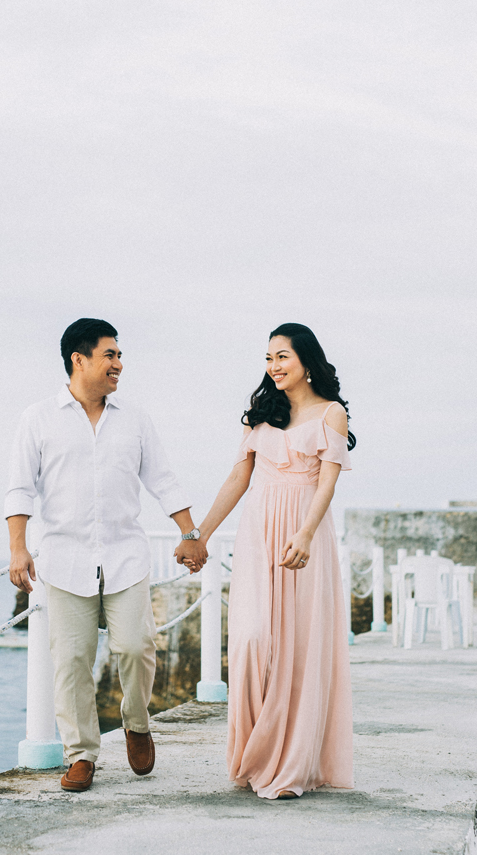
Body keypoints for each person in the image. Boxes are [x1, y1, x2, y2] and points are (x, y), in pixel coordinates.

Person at [6, 318, 206, 792]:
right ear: (80, 359)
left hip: (124, 556)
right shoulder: (37, 418)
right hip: (64, 559)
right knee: (71, 660)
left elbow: (163, 479)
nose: (119, 363)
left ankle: (137, 723)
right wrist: (18, 547)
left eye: (119, 355)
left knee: (136, 647)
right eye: (110, 355)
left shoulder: (135, 419)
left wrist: (190, 533)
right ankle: (81, 756)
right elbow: (20, 487)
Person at [178, 323, 354, 799]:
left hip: (304, 533)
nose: (274, 367)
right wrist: (199, 535)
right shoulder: (260, 415)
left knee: (299, 645)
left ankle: (292, 762)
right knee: (253, 639)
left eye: (283, 357)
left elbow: (327, 484)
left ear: (306, 361)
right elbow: (238, 479)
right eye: (269, 358)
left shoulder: (330, 414)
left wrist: (305, 533)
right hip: (258, 532)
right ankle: (255, 754)